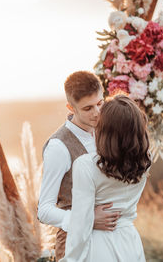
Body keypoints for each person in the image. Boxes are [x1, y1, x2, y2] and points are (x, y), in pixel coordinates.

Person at [37, 71, 121, 261]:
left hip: (108, 240)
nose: (97, 113)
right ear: (71, 107)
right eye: (88, 108)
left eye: (100, 104)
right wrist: (87, 220)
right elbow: (44, 210)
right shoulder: (58, 147)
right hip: (73, 244)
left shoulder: (105, 132)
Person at [60, 94, 152, 262]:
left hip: (98, 246)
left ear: (105, 130)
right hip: (130, 243)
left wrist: (69, 260)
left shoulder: (86, 165)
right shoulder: (144, 161)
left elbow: (80, 226)